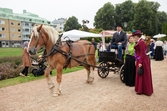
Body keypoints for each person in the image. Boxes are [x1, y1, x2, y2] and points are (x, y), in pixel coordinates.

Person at [132, 30, 153, 96]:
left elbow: (142, 53)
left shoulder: (141, 42)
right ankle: (140, 89)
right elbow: (137, 53)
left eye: (134, 36)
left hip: (143, 60)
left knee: (142, 74)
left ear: (137, 36)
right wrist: (136, 60)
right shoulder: (139, 42)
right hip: (139, 59)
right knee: (140, 74)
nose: (133, 38)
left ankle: (144, 90)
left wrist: (140, 62)